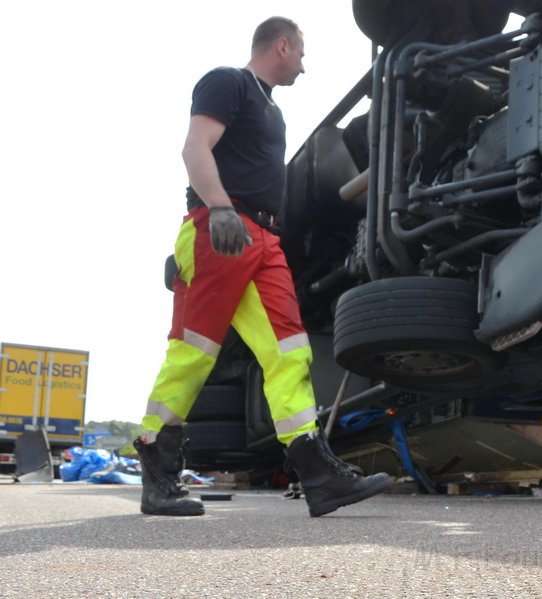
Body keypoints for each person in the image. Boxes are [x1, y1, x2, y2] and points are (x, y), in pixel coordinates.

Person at [134, 16, 390, 517]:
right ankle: (157, 463)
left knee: (289, 352)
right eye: (300, 53)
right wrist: (221, 209)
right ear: (281, 45)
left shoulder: (272, 109)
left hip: (263, 240)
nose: (303, 64)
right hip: (222, 228)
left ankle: (317, 474)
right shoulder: (228, 82)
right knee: (195, 354)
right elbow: (194, 147)